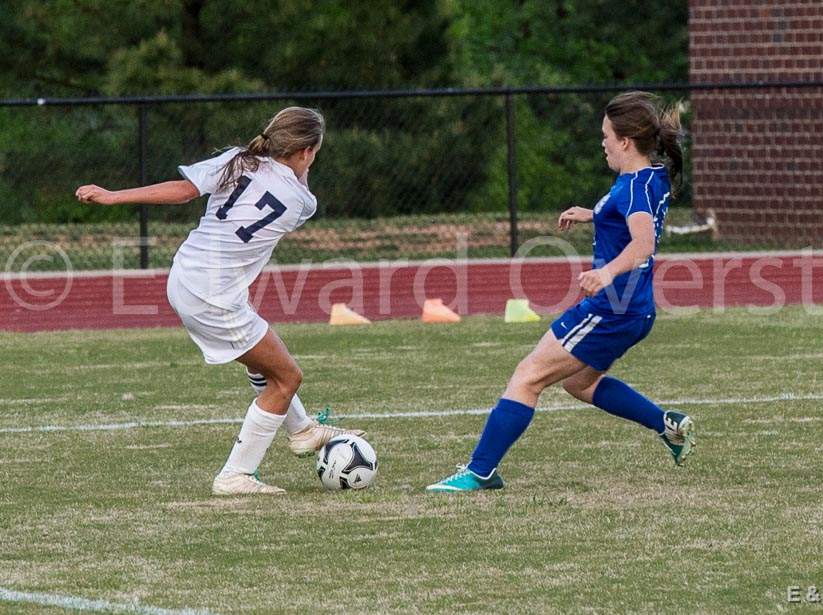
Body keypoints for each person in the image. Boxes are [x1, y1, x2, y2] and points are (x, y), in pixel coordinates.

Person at [75, 106, 362, 495]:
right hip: (212, 297)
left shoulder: (236, 160)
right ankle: (236, 475)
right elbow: (294, 186)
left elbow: (182, 191)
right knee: (288, 378)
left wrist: (113, 196)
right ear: (307, 153)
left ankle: (303, 429)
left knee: (262, 357)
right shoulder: (301, 202)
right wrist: (303, 166)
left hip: (185, 276)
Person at [427, 91, 695, 493]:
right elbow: (632, 219)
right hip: (636, 310)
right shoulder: (650, 177)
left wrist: (605, 274)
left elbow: (643, 244)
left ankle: (480, 471)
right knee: (579, 384)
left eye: (606, 135)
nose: (602, 142)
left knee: (527, 376)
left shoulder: (633, 189)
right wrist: (595, 215)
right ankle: (666, 425)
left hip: (610, 308)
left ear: (624, 141)